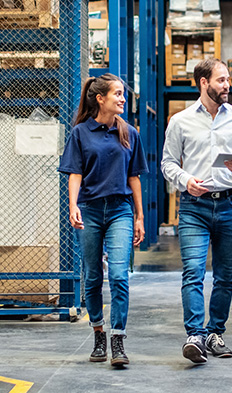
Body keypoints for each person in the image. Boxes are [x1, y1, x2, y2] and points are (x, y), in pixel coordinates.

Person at [161, 58, 232, 364]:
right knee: (193, 271)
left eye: (228, 80)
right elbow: (168, 163)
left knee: (224, 275)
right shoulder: (181, 121)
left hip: (231, 203)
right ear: (203, 83)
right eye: (221, 80)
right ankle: (195, 335)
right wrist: (185, 180)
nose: (227, 85)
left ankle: (215, 332)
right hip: (194, 206)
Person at [58, 73, 148, 367]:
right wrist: (73, 205)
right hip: (91, 210)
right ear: (100, 99)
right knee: (93, 275)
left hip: (121, 209)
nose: (123, 99)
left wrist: (139, 216)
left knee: (119, 275)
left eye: (123, 94)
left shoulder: (129, 133)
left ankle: (118, 338)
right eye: (118, 94)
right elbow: (75, 173)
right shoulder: (80, 133)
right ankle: (98, 332)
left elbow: (134, 177)